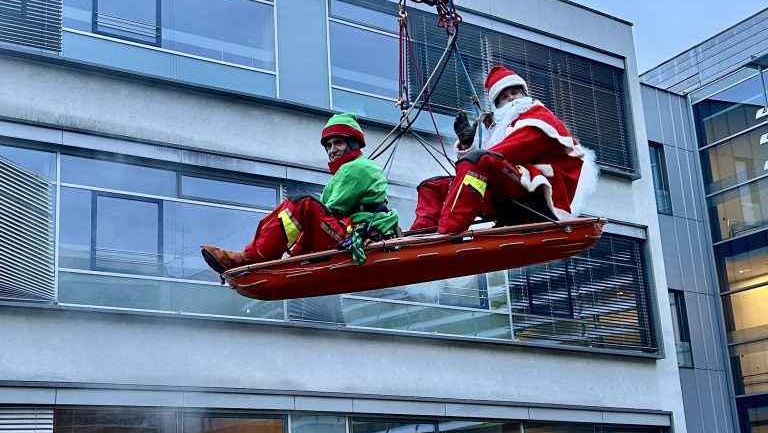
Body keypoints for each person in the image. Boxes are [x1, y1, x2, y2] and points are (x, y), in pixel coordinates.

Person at [202, 113, 399, 273]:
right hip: (348, 233)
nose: (332, 150)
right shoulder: (353, 169)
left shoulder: (356, 168)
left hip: (352, 236)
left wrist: (295, 255)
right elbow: (322, 218)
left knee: (302, 204)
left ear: (353, 144)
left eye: (338, 143)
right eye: (328, 146)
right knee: (306, 206)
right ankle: (261, 256)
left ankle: (249, 258)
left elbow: (329, 213)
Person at [410, 65, 598, 234]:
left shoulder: (539, 118)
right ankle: (420, 235)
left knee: (480, 160)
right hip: (505, 188)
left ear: (525, 94)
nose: (510, 99)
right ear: (498, 105)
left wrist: (473, 156)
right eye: (503, 97)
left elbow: (507, 152)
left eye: (514, 93)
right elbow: (482, 164)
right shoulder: (502, 128)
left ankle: (447, 232)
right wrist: (467, 146)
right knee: (432, 186)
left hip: (532, 194)